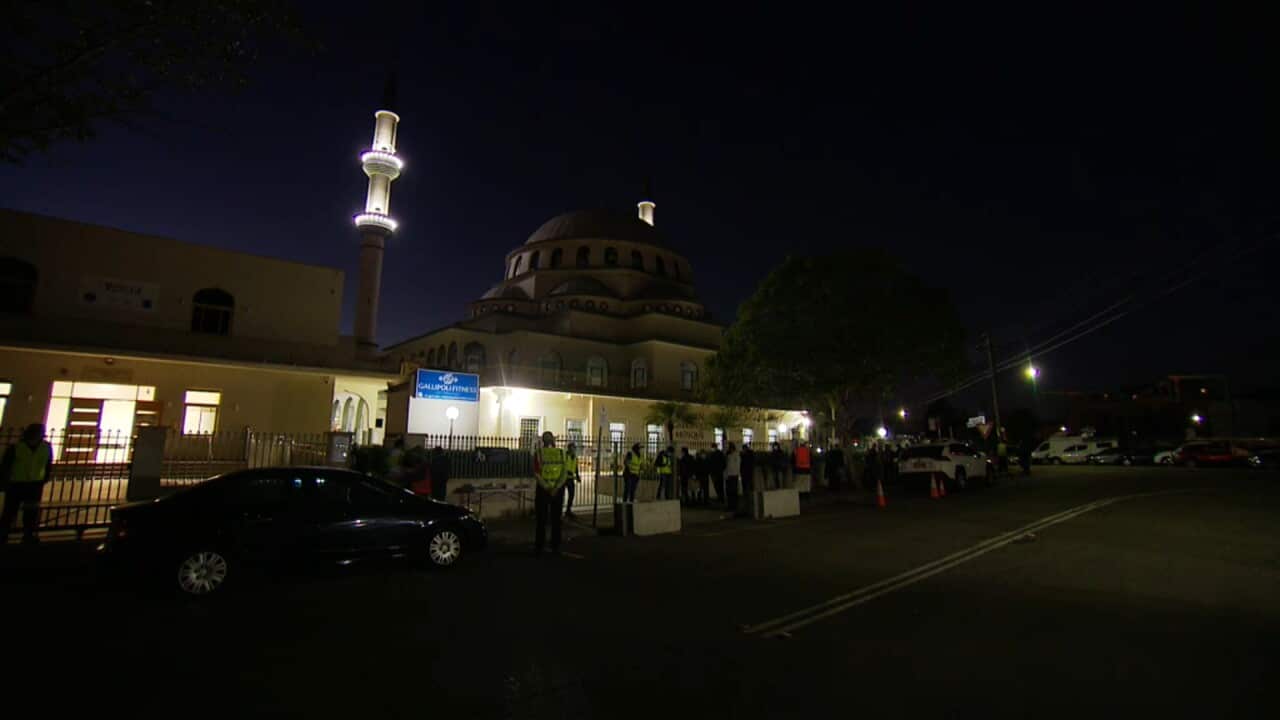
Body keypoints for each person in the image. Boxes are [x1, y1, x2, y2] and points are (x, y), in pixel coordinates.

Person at [0, 424, 54, 545]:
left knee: (29, 512)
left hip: (33, 484)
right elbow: (6, 466)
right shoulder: (17, 447)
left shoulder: (44, 447)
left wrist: (44, 478)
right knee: (10, 511)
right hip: (17, 483)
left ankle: (26, 534)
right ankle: (6, 534)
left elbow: (48, 464)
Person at [532, 431, 568, 555]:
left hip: (543, 490)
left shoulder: (539, 453)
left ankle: (539, 546)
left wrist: (547, 487)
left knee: (541, 520)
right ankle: (555, 546)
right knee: (556, 519)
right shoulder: (561, 453)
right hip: (558, 490)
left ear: (542, 441)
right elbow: (564, 473)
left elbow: (537, 473)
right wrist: (556, 487)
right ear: (553, 440)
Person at [724, 442, 741, 514]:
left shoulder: (736, 455)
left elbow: (737, 466)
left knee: (733, 491)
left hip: (734, 475)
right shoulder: (728, 455)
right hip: (729, 475)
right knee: (729, 491)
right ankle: (730, 505)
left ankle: (734, 506)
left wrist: (737, 474)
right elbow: (727, 466)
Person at [563, 441, 580, 517]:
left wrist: (577, 475)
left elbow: (576, 467)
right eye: (573, 448)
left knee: (571, 495)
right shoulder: (565, 456)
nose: (574, 449)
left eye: (575, 448)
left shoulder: (575, 457)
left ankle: (568, 510)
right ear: (569, 448)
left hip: (571, 478)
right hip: (563, 479)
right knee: (561, 496)